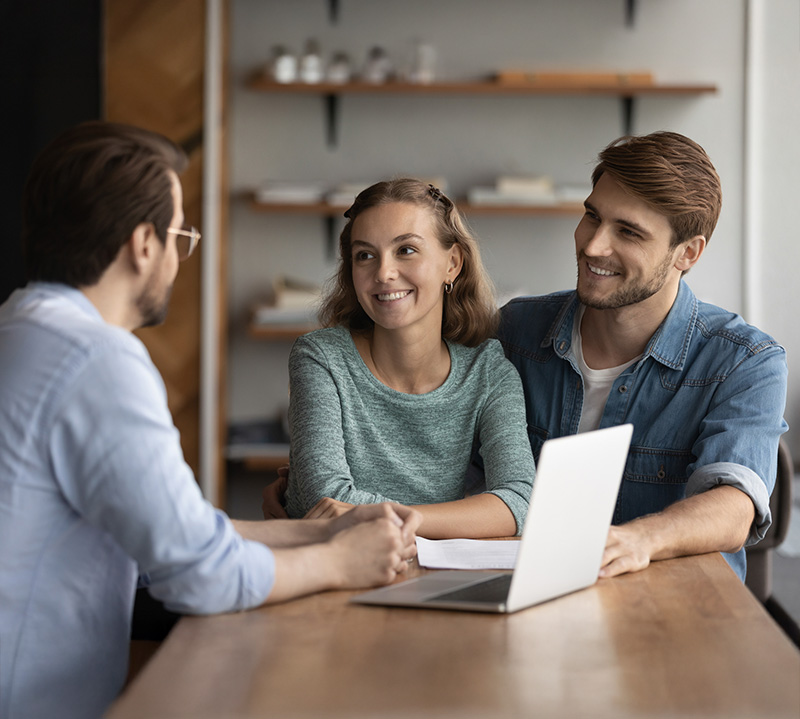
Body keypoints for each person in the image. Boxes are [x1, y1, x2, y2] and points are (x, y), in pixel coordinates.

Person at [0, 121, 421, 719]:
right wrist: (338, 563)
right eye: (180, 236)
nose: (179, 256)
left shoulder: (19, 332)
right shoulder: (98, 361)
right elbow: (198, 574)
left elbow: (174, 532)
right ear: (144, 244)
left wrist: (319, 531)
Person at [497, 131, 787, 581]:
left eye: (628, 232)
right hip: (527, 598)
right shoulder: (514, 331)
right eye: (592, 217)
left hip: (670, 616)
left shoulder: (745, 361)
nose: (593, 246)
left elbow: (735, 505)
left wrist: (639, 540)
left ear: (687, 253)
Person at [279, 178, 535, 538]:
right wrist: (459, 518)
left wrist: (369, 514)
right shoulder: (321, 358)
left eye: (406, 250)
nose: (383, 273)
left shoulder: (488, 370)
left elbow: (519, 501)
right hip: (331, 567)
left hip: (429, 568)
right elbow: (324, 499)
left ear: (453, 264)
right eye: (365, 255)